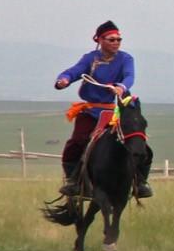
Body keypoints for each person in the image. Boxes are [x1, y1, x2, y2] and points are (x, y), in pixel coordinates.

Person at [54, 20, 152, 197]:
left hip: (116, 111)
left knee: (139, 141)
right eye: (111, 39)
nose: (116, 43)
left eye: (118, 40)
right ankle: (74, 181)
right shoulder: (90, 59)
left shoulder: (126, 59)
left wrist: (121, 87)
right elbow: (74, 71)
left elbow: (129, 76)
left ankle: (140, 182)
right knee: (77, 141)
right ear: (99, 40)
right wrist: (64, 80)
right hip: (91, 110)